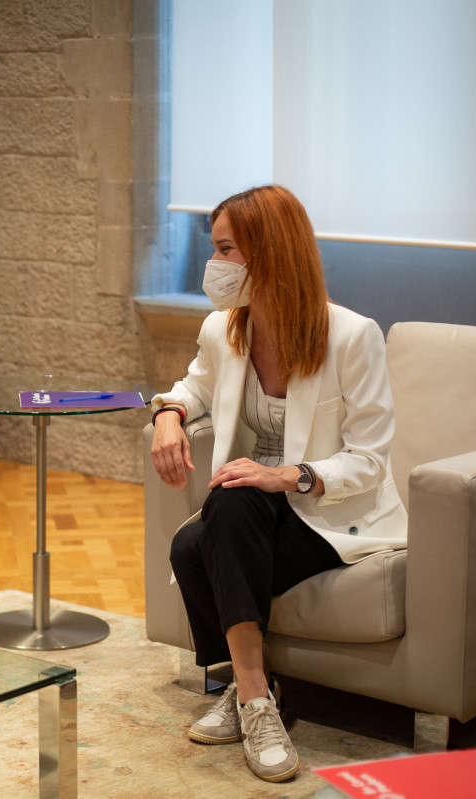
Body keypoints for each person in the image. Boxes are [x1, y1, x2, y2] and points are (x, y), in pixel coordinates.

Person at [149, 185, 407, 783]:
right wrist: (168, 414)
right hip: (254, 502)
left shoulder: (352, 335)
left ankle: (253, 702)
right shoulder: (223, 329)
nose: (214, 267)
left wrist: (283, 476)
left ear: (269, 252)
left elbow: (369, 458)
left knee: (222, 516)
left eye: (225, 249)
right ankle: (252, 691)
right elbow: (192, 389)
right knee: (195, 540)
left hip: (332, 506)